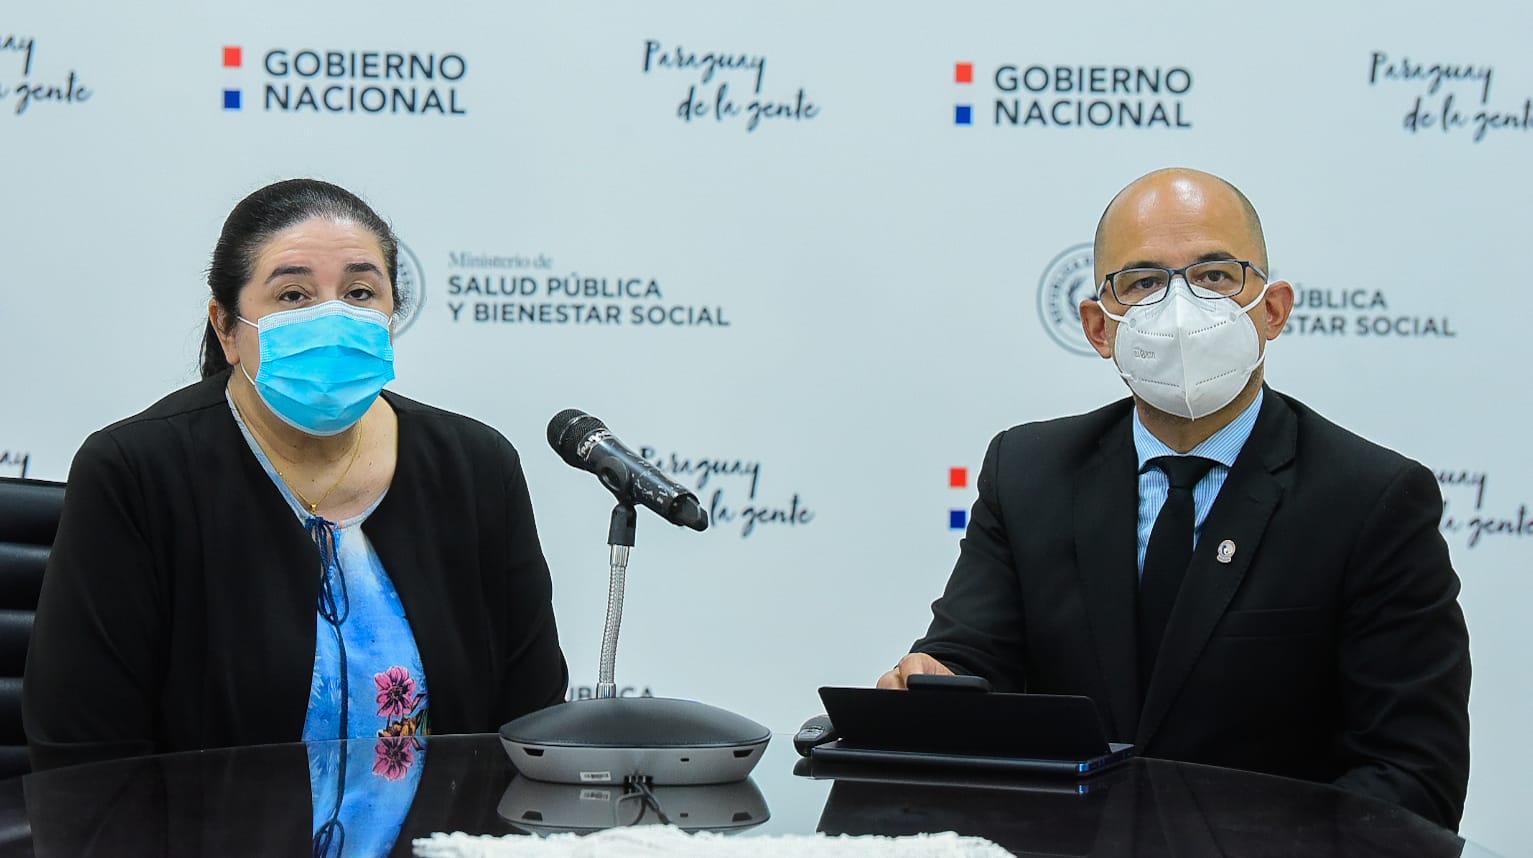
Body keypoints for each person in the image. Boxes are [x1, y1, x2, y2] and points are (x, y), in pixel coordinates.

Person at [877, 168, 1471, 831]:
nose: (1181, 309)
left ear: (1271, 310)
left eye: (1215, 277)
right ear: (1098, 330)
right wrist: (933, 685)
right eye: (1144, 282)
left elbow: (1411, 775)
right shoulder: (1026, 473)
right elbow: (972, 660)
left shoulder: (1372, 499)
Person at [24, 179, 568, 773]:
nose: (332, 317)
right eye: (293, 296)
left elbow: (531, 726)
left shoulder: (476, 466)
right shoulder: (136, 473)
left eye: (360, 292)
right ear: (227, 327)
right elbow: (85, 760)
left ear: (391, 318)